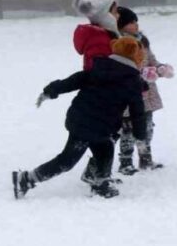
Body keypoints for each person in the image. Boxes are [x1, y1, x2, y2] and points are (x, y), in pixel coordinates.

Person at [12, 37, 148, 200]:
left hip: (82, 119)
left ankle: (101, 182)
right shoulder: (132, 82)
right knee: (68, 160)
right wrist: (140, 135)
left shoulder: (99, 68)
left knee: (105, 149)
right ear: (136, 57)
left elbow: (73, 81)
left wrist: (50, 90)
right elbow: (137, 112)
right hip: (91, 125)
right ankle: (26, 179)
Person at [115, 7, 175, 174]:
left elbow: (151, 60)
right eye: (131, 23)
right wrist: (142, 73)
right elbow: (122, 67)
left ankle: (145, 158)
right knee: (127, 128)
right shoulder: (119, 43)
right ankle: (125, 162)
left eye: (136, 22)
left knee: (147, 126)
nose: (135, 25)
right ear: (121, 25)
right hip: (129, 93)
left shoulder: (142, 40)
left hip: (147, 92)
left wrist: (160, 68)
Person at [73, 0, 120, 70]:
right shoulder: (98, 41)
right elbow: (100, 72)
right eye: (115, 12)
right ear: (105, 16)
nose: (118, 15)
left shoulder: (106, 36)